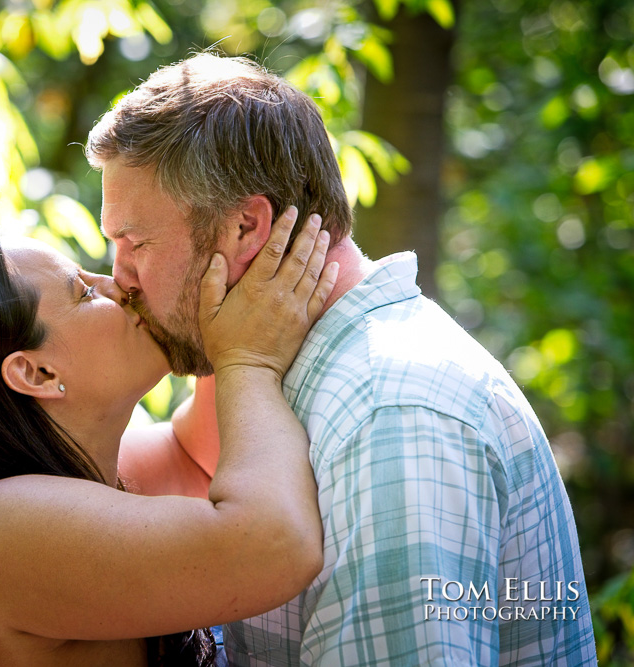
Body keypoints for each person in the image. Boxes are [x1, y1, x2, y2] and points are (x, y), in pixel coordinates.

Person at [86, 52, 597, 665]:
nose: (119, 279)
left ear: (247, 228)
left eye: (135, 243)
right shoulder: (306, 381)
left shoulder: (390, 413)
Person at [0, 208, 338, 666]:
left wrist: (214, 275)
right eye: (82, 291)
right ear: (36, 372)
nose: (119, 284)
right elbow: (277, 545)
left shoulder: (63, 485)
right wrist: (249, 361)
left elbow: (195, 448)